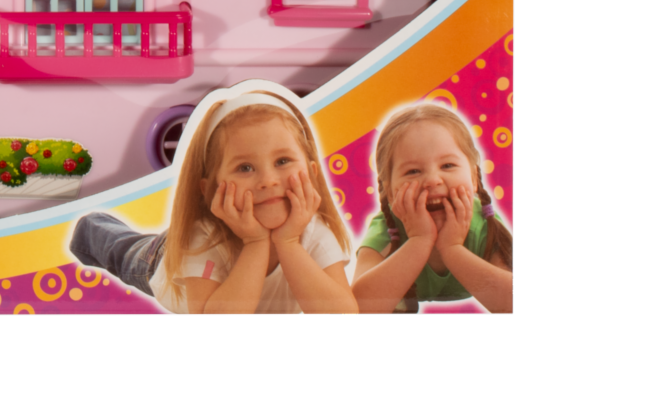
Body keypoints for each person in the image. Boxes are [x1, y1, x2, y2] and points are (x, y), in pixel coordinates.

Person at [70, 87, 356, 314]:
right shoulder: (204, 237)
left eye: (282, 161)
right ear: (210, 189)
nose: (268, 181)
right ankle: (91, 227)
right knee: (121, 252)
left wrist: (288, 243)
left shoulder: (313, 231)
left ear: (312, 173)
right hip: (161, 258)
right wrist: (256, 243)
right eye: (245, 167)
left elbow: (342, 312)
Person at [352, 104, 513, 314]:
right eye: (413, 171)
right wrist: (419, 241)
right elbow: (359, 308)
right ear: (389, 192)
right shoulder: (386, 229)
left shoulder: (485, 223)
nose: (432, 180)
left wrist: (452, 249)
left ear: (474, 178)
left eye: (447, 165)